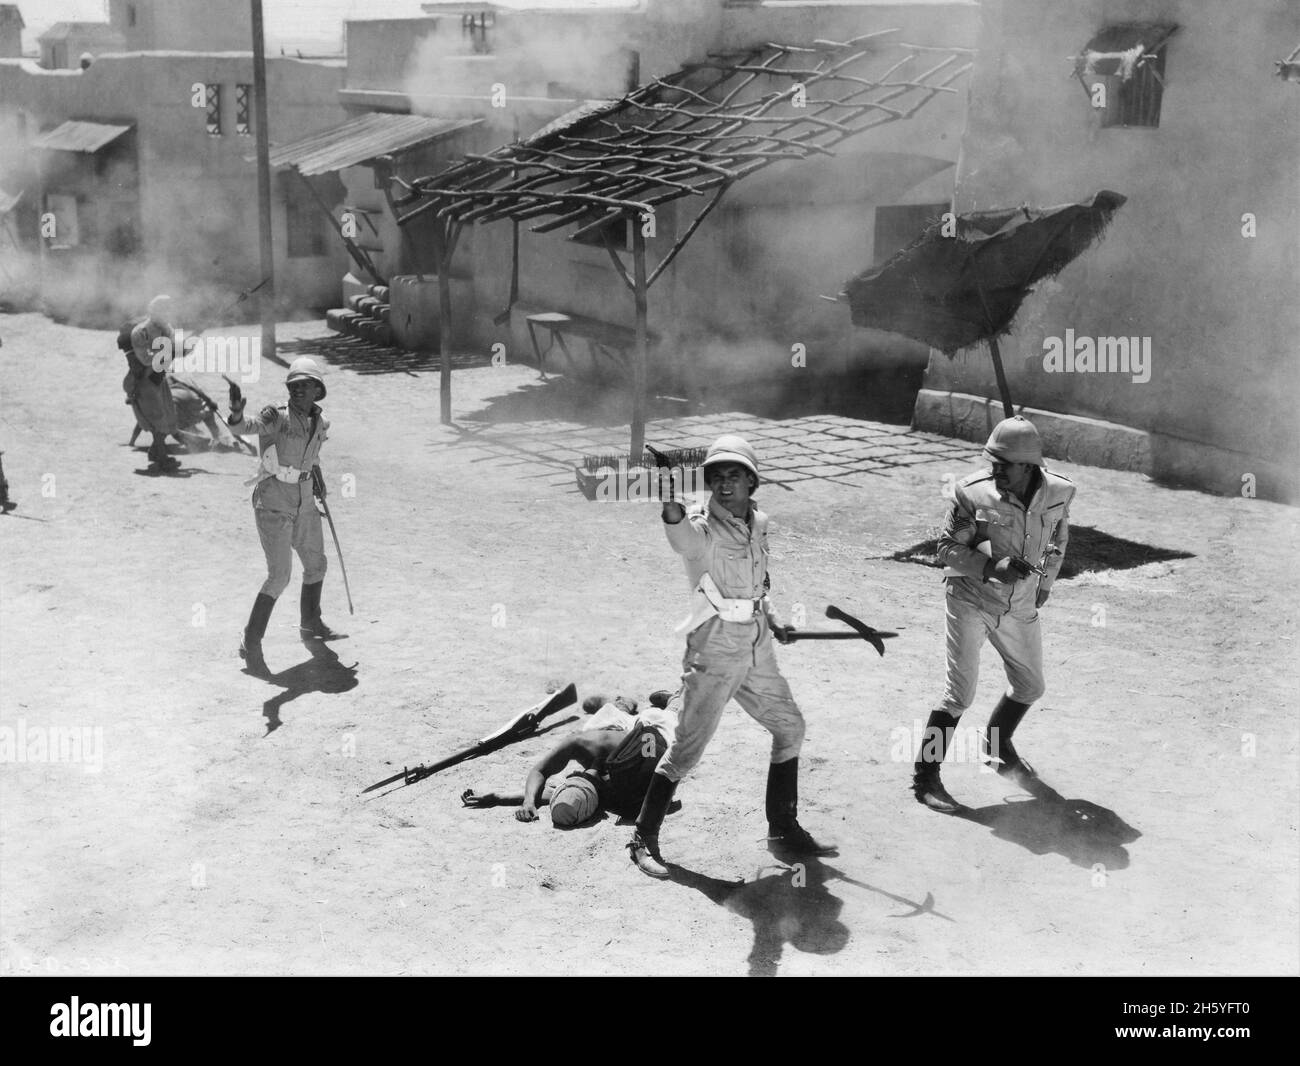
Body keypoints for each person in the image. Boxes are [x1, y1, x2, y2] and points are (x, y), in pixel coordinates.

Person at [628, 434, 835, 879]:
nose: (724, 484)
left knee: (790, 727)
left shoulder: (759, 523)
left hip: (756, 640)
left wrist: (776, 619)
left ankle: (782, 827)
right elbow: (682, 538)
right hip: (715, 645)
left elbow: (759, 584)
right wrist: (669, 502)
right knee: (687, 749)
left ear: (750, 482)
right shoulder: (702, 527)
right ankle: (643, 836)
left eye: (734, 476)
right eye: (717, 476)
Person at [913, 415, 1076, 812]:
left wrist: (1046, 585)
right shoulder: (972, 493)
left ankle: (998, 748)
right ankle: (925, 777)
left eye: (1003, 465)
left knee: (1031, 686)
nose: (995, 471)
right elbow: (946, 549)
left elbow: (1058, 538)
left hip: (1018, 603)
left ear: (1029, 466)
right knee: (959, 694)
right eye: (993, 463)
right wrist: (991, 568)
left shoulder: (1059, 492)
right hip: (970, 598)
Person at [226, 356, 343, 676]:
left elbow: (312, 455)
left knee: (317, 564)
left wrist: (317, 477)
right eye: (293, 385)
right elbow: (244, 427)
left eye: (305, 385)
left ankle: (311, 624)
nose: (297, 390)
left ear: (317, 390)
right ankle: (251, 639)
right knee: (279, 576)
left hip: (304, 501)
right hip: (274, 502)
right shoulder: (275, 416)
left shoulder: (319, 422)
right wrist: (236, 412)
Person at [461, 704, 672, 827]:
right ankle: (651, 704)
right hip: (648, 736)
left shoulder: (581, 744)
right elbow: (544, 781)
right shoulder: (618, 791)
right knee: (662, 713)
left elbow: (544, 779)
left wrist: (509, 799)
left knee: (656, 714)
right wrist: (520, 800)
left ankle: (626, 704)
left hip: (641, 728)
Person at [123, 294, 180, 471]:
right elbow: (145, 359)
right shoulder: (141, 332)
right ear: (153, 311)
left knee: (167, 415)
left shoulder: (168, 329)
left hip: (158, 379)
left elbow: (171, 355)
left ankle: (156, 451)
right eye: (163, 310)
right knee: (156, 418)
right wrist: (167, 353)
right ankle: (161, 457)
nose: (166, 314)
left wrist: (181, 349)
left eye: (168, 310)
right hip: (143, 380)